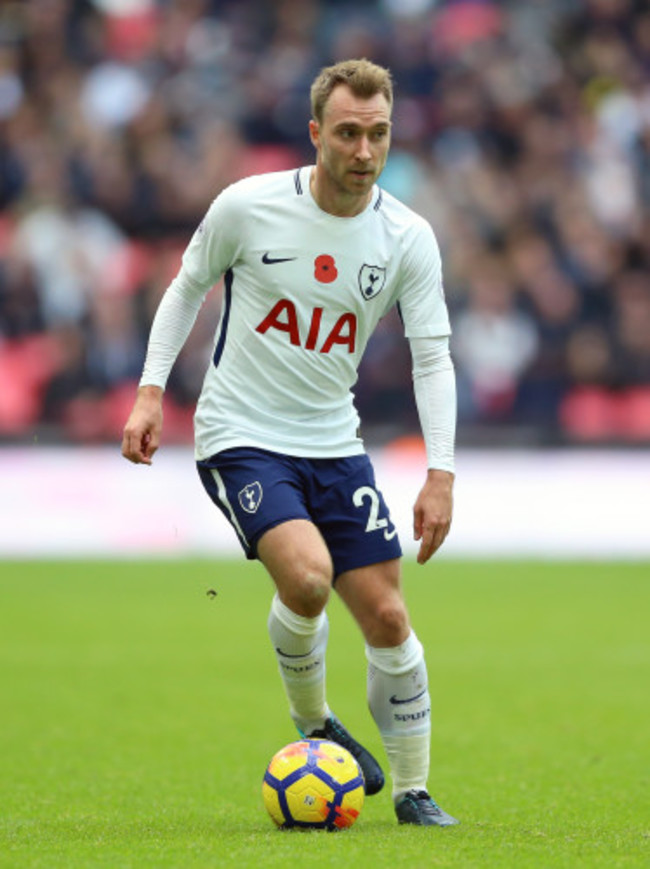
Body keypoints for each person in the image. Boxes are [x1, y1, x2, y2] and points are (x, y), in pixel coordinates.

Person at [122, 58, 458, 827]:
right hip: (239, 433)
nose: (364, 151)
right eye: (347, 133)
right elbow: (185, 286)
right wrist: (148, 389)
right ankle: (315, 723)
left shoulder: (407, 236)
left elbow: (432, 355)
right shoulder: (248, 206)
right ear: (315, 134)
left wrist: (440, 472)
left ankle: (412, 790)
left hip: (334, 439)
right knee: (307, 580)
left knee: (389, 620)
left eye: (377, 134)